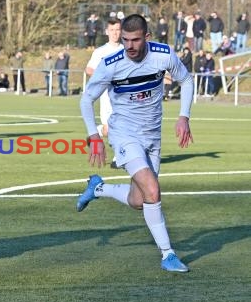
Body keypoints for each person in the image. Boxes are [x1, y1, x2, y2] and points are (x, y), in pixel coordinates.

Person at [77, 14, 194, 273]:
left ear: (147, 38)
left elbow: (186, 80)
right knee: (153, 190)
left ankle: (98, 189)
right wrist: (93, 136)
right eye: (126, 40)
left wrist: (184, 116)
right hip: (124, 133)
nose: (129, 45)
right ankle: (168, 254)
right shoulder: (112, 64)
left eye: (135, 40)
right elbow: (86, 99)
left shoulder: (163, 55)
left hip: (153, 136)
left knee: (139, 200)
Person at [85, 17, 123, 169]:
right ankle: (97, 133)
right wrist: (104, 77)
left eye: (118, 30)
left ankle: (117, 158)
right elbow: (89, 69)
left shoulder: (127, 50)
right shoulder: (100, 51)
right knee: (109, 129)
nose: (115, 33)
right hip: (107, 96)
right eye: (112, 30)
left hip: (125, 95)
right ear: (107, 32)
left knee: (123, 126)